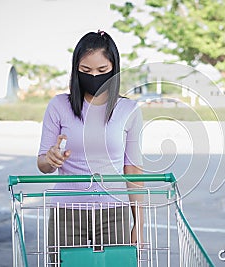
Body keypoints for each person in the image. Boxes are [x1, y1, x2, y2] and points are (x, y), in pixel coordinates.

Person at [37, 31, 144, 261]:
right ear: (76, 69)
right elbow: (43, 164)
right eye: (86, 71)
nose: (94, 77)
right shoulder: (59, 106)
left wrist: (139, 223)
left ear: (114, 70)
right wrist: (51, 159)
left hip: (114, 212)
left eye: (102, 71)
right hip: (66, 213)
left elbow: (133, 170)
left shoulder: (129, 110)